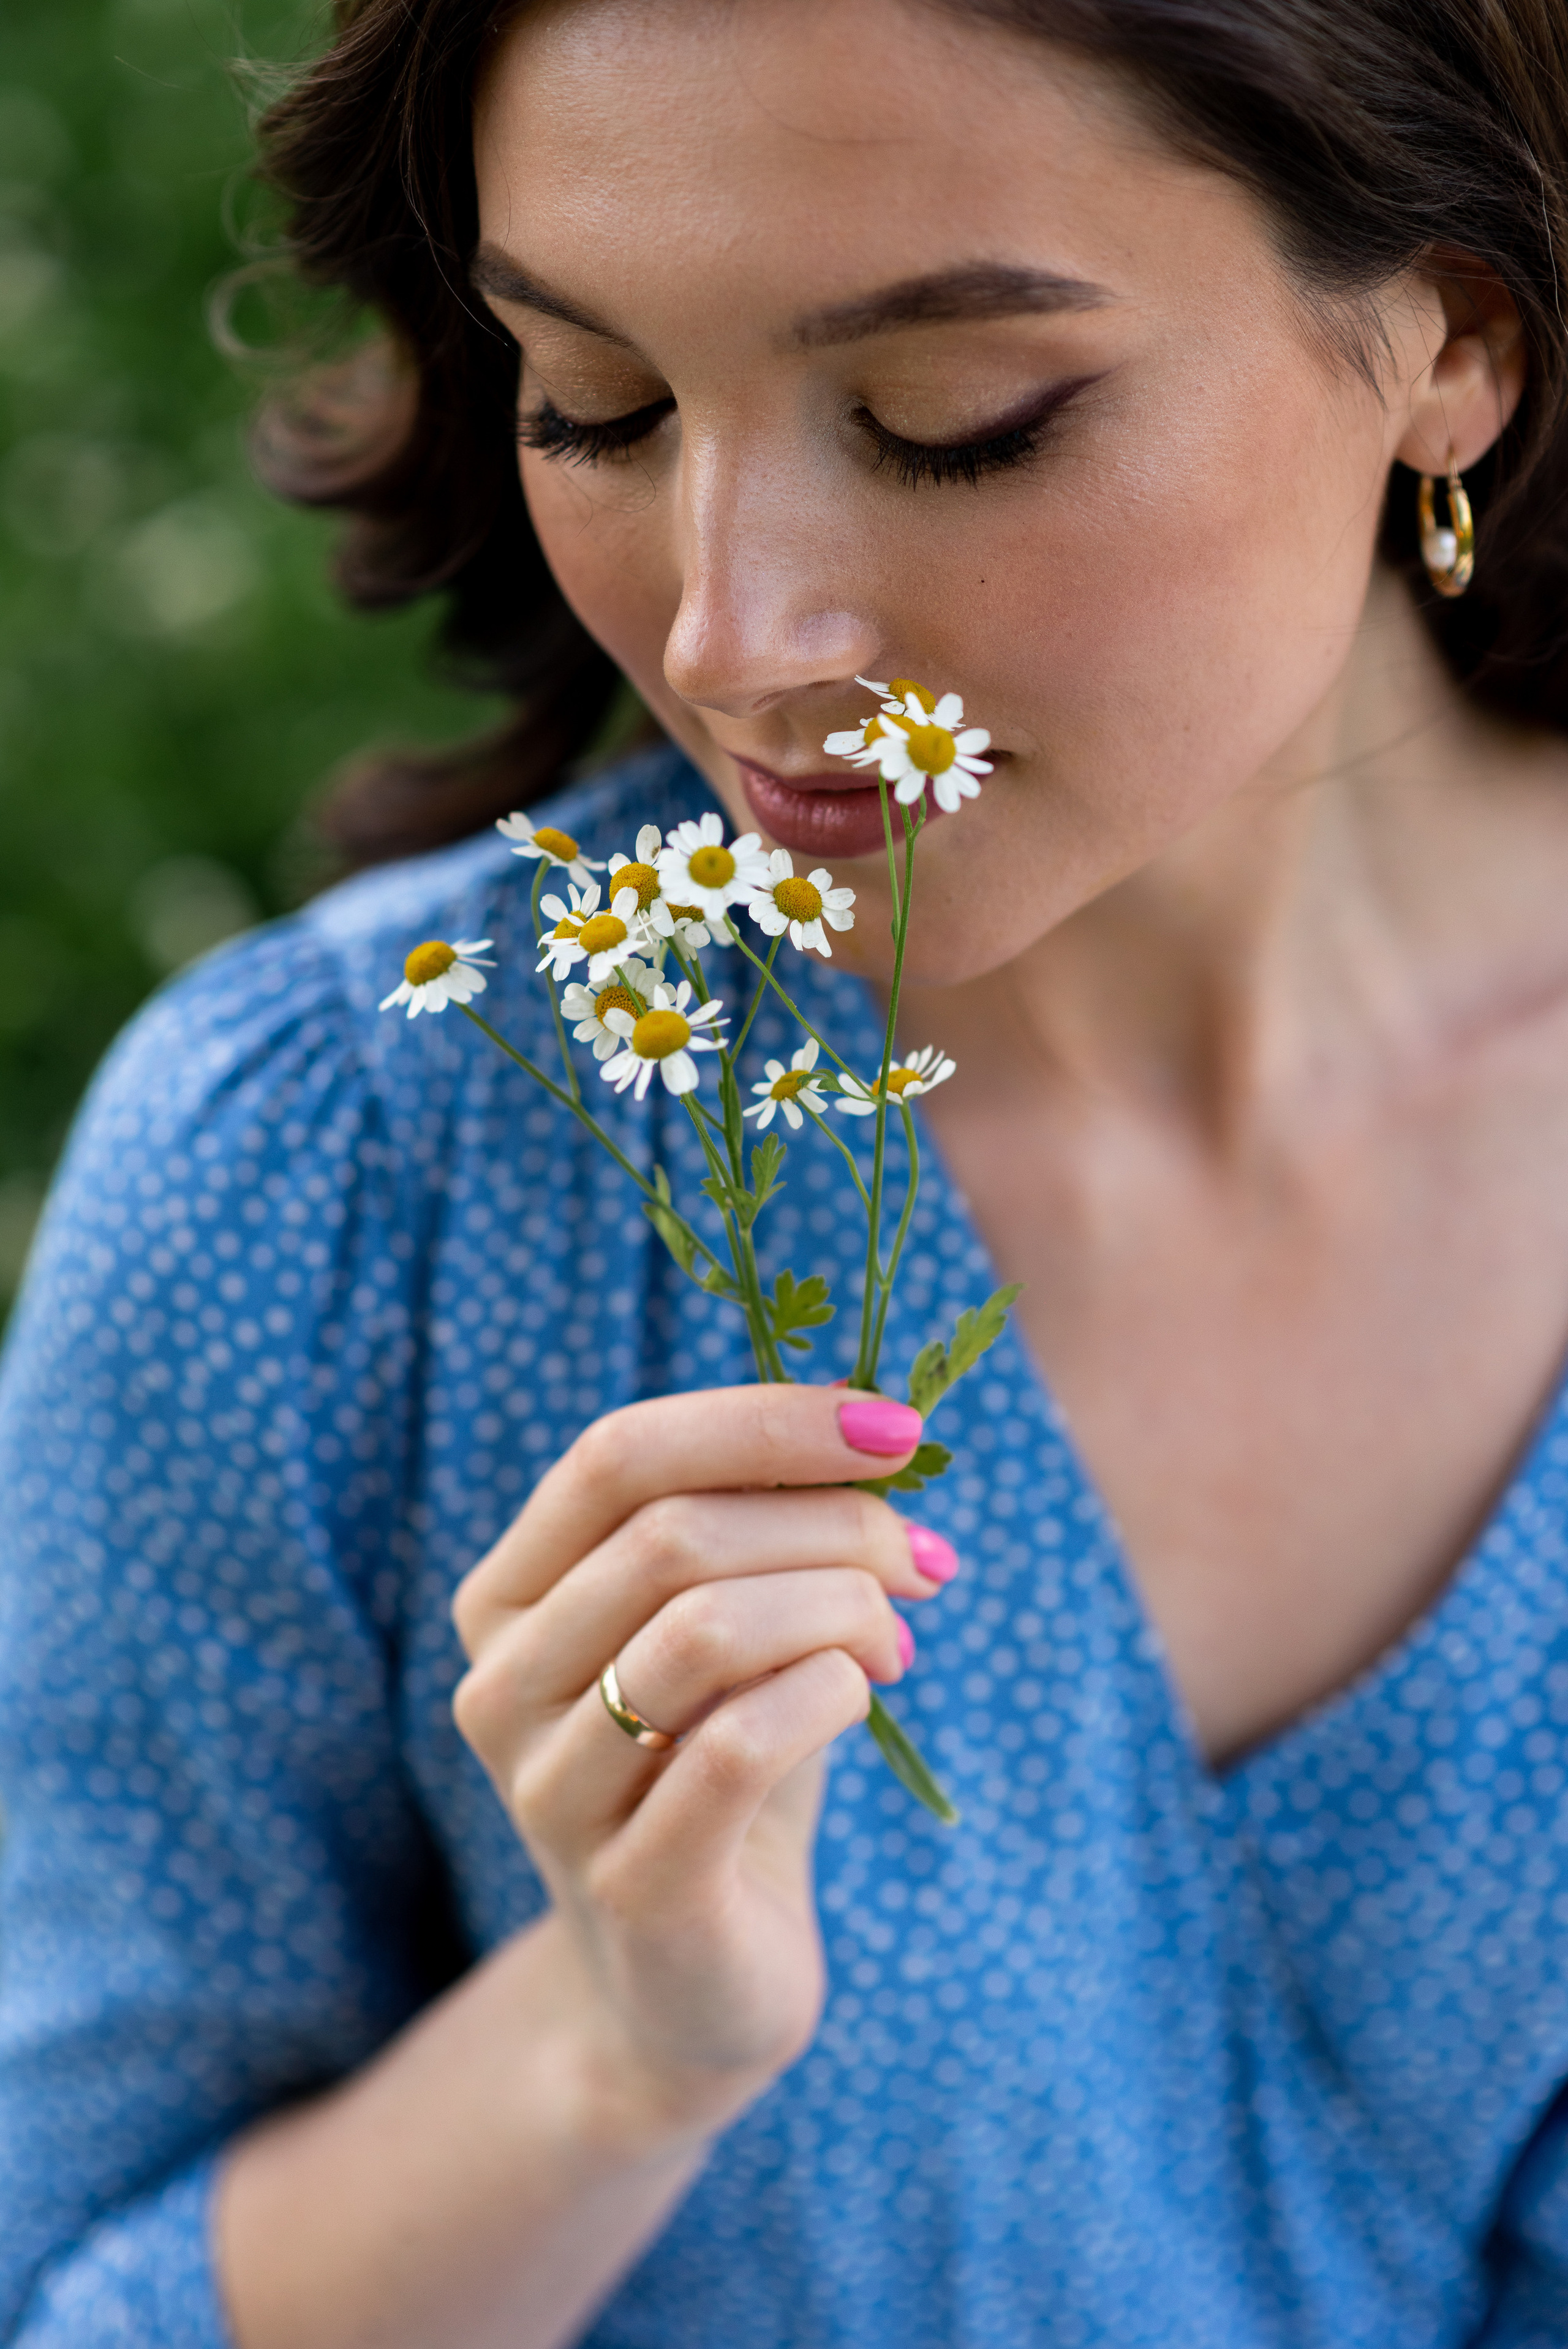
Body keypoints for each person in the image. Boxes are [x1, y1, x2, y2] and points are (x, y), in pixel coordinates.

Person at [5, 0, 1568, 2340]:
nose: (734, 636)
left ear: (1451, 342)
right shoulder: (331, 1177)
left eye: (956, 420)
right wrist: (608, 2049)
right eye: (598, 405)